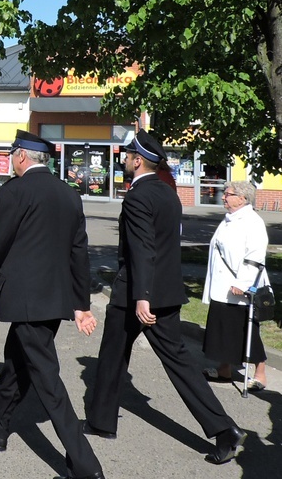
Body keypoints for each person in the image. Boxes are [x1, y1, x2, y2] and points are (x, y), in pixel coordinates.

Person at [84, 129, 246, 465]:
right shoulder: (168, 194)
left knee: (123, 356)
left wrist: (143, 296)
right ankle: (102, 422)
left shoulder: (138, 196)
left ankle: (223, 429)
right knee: (162, 360)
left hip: (138, 293)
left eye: (129, 155)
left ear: (138, 161)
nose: (125, 159)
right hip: (163, 290)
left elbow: (143, 249)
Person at [0, 130, 104, 479]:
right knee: (16, 363)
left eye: (12, 154)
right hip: (54, 301)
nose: (11, 159)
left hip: (26, 299)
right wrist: (80, 303)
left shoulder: (16, 191)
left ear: (22, 156)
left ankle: (86, 466)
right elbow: (78, 253)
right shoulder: (69, 196)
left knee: (48, 381)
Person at [201, 180, 269, 391]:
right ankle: (224, 369)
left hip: (240, 287)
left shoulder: (252, 221)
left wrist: (243, 282)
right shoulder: (229, 218)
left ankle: (260, 373)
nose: (223, 196)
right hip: (222, 287)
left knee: (245, 330)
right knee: (222, 329)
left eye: (228, 194)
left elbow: (255, 255)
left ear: (242, 198)